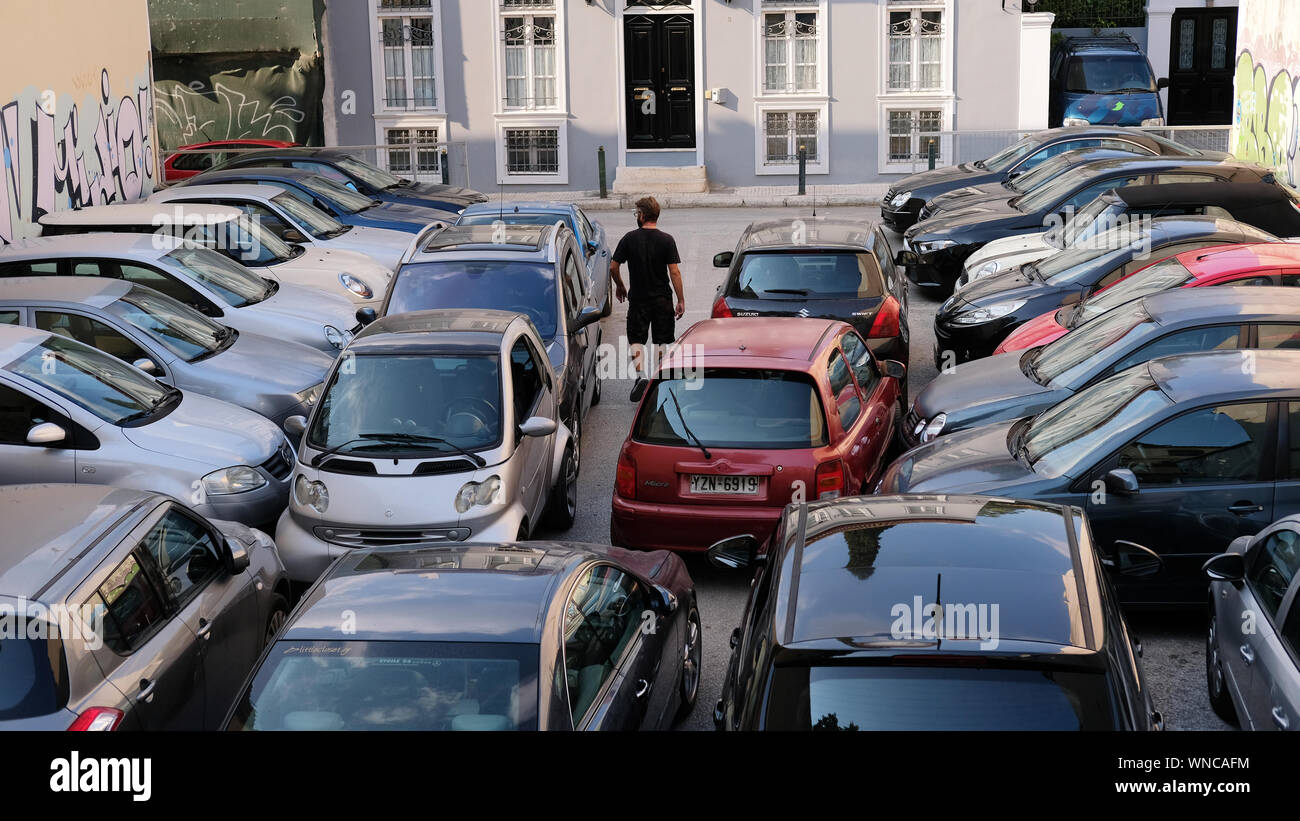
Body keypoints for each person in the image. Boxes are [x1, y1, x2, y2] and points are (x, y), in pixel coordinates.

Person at [610, 196, 685, 401]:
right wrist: (681, 300)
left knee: (636, 340)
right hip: (662, 299)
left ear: (642, 215)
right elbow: (675, 272)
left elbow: (613, 266)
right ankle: (659, 380)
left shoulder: (629, 238)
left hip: (639, 300)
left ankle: (640, 377)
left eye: (637, 213)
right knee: (662, 341)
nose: (637, 216)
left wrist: (620, 285)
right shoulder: (667, 240)